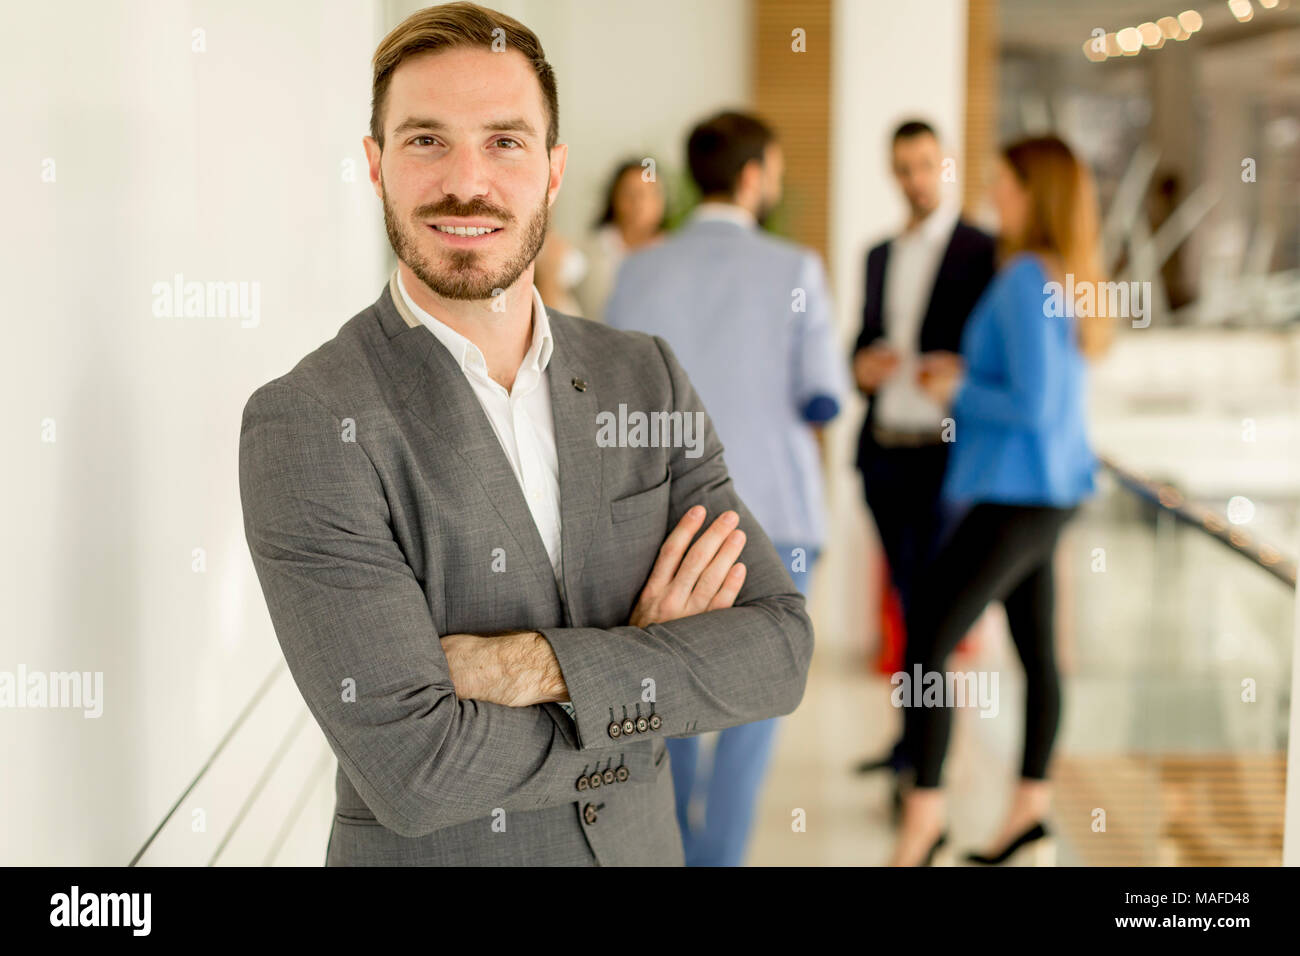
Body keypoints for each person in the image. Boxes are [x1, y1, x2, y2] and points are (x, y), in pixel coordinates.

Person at [238, 2, 813, 867]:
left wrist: (531, 666)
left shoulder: (641, 375)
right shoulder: (310, 420)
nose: (466, 182)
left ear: (552, 170)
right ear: (375, 166)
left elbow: (776, 652)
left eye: (505, 141)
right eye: (425, 140)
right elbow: (415, 769)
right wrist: (650, 668)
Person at [604, 110, 848, 866]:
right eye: (772, 169)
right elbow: (825, 397)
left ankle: (671, 846)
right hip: (776, 516)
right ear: (751, 176)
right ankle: (720, 856)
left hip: (661, 525)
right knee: (756, 709)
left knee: (664, 700)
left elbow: (613, 399)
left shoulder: (640, 269)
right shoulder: (796, 268)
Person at [887, 135, 1110, 866]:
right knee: (1037, 650)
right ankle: (1028, 813)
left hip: (1017, 493)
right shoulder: (1059, 273)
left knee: (926, 642)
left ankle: (923, 822)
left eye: (1001, 182)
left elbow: (1034, 405)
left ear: (1030, 191)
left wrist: (955, 390)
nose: (992, 195)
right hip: (1048, 491)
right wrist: (968, 374)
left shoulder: (1022, 278)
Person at [851, 121, 996, 791]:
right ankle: (910, 743)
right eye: (902, 167)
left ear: (948, 166)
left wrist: (959, 371)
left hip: (947, 457)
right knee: (908, 605)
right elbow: (862, 341)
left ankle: (925, 758)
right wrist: (863, 366)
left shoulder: (982, 251)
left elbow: (994, 358)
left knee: (933, 612)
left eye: (924, 165)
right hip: (885, 451)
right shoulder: (878, 254)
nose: (914, 179)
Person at [573, 158, 667, 323]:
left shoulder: (673, 253)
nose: (640, 203)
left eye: (649, 193)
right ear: (615, 198)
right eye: (631, 194)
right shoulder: (588, 252)